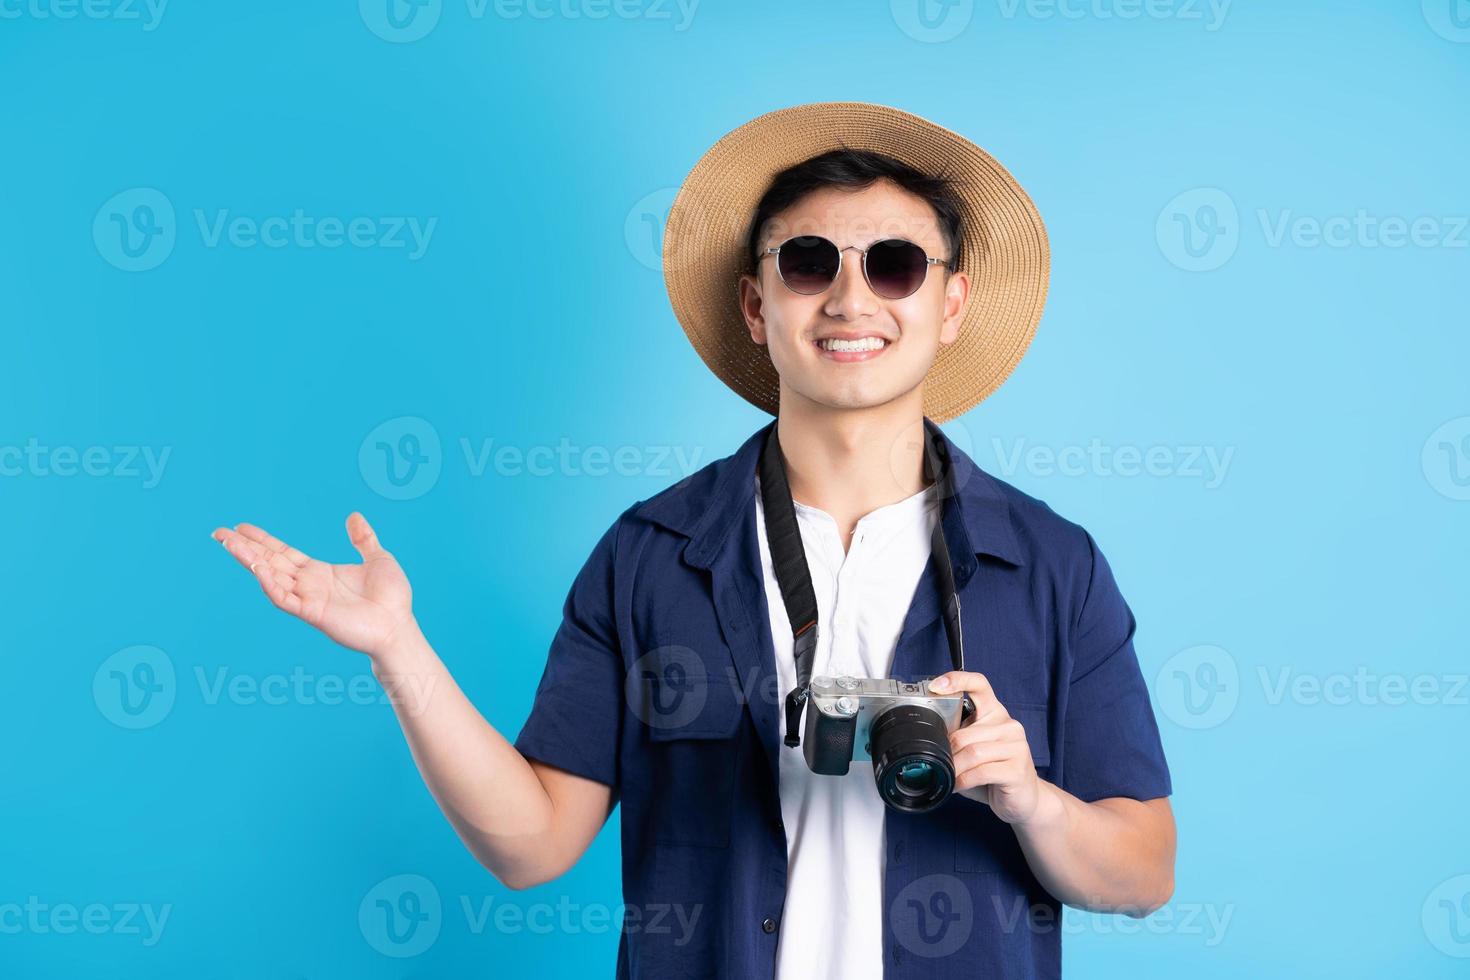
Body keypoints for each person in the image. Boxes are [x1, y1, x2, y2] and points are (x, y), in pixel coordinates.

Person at [212, 102, 1175, 980]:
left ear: (950, 305)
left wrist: (1029, 799)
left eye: (893, 263)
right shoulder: (649, 554)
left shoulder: (1051, 566)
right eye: (807, 263)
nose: (849, 299)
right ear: (758, 307)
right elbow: (532, 844)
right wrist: (399, 651)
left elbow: (1144, 872)